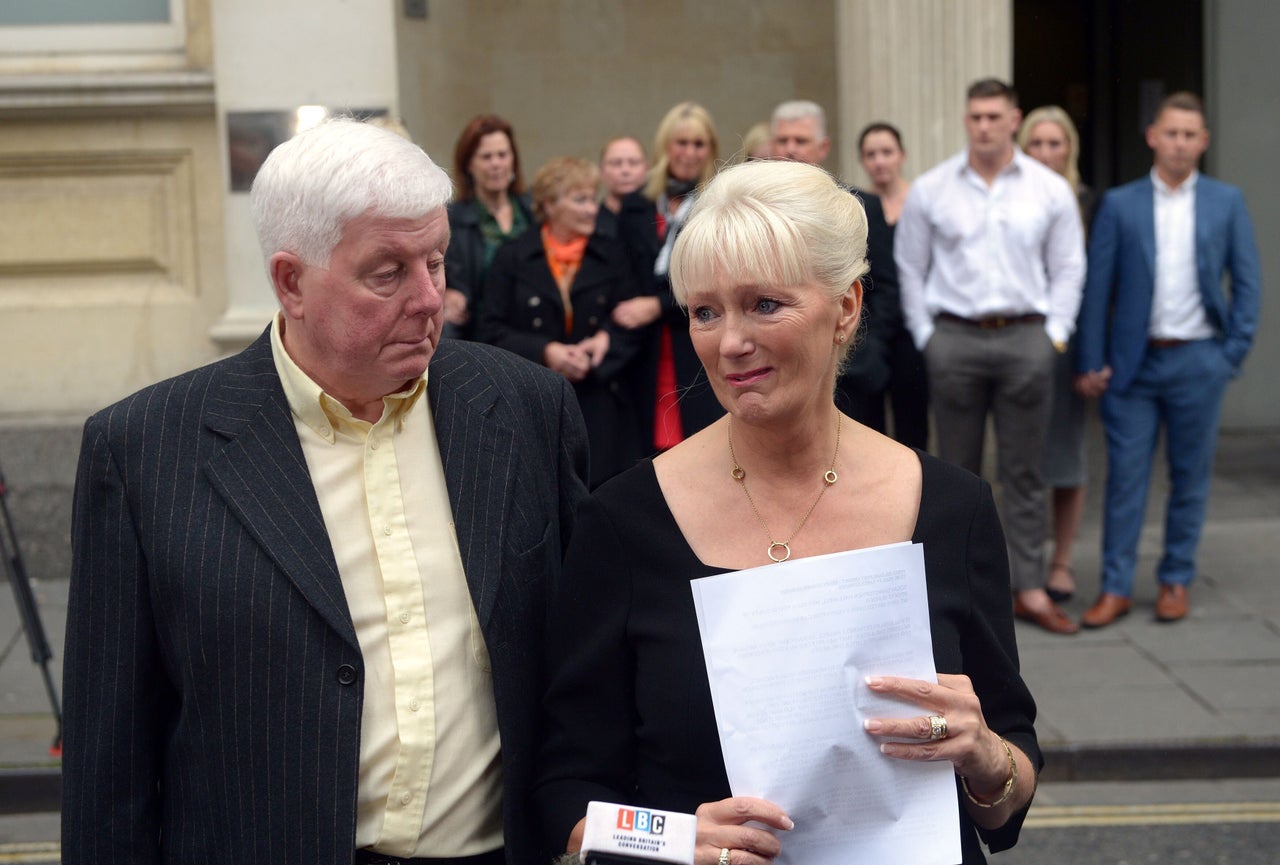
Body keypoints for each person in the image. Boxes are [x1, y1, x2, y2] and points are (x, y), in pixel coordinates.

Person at [61, 118, 590, 865]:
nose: (429, 298)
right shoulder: (147, 449)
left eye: (437, 261)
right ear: (291, 281)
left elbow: (581, 673)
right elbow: (106, 763)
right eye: (388, 272)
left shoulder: (527, 409)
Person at [535, 160, 1040, 865]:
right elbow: (567, 793)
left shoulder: (953, 506)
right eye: (706, 311)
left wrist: (986, 753)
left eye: (764, 304)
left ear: (846, 307)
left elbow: (1008, 790)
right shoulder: (623, 519)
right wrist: (675, 840)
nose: (730, 342)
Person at [896, 78, 1086, 636]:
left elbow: (1069, 266)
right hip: (954, 339)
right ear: (966, 120)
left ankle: (1029, 587)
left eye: (993, 116)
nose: (983, 125)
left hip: (1026, 338)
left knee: (1024, 472)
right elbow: (911, 266)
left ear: (1013, 119)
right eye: (975, 116)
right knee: (954, 473)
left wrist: (1056, 334)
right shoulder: (932, 190)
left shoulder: (1048, 190)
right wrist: (926, 334)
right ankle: (956, 594)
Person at [1075, 92, 1261, 628]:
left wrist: (1230, 354)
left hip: (1199, 362)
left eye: (1190, 135)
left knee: (1190, 476)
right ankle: (1114, 587)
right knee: (1126, 478)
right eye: (1171, 132)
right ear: (1153, 136)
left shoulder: (1227, 202)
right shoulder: (1121, 204)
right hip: (1133, 367)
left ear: (1203, 142)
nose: (1180, 143)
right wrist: (1091, 358)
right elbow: (1097, 286)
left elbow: (1247, 284)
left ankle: (1175, 579)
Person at [479, 156, 644, 487]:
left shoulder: (611, 254)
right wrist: (546, 352)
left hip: (603, 407)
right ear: (549, 205)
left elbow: (633, 323)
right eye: (579, 200)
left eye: (592, 199)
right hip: (534, 405)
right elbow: (488, 331)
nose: (590, 209)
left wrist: (605, 342)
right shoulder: (513, 257)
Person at [768, 100, 893, 439]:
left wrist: (872, 352)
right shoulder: (757, 211)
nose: (790, 149)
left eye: (800, 141)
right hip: (776, 370)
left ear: (823, 147)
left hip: (854, 370)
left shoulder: (862, 205)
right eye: (783, 140)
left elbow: (882, 287)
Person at [1017, 106, 1098, 602]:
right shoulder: (1009, 199)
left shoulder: (1088, 202)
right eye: (1037, 144)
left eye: (1055, 143)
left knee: (1067, 455)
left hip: (1069, 345)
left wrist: (1089, 355)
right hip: (1016, 344)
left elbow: (1096, 282)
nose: (1047, 153)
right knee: (1020, 458)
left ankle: (1061, 561)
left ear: (1070, 148)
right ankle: (1022, 560)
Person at [612, 101, 725, 451]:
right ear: (665, 146)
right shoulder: (637, 205)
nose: (689, 153)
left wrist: (658, 306)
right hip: (641, 350)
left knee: (699, 444)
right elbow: (622, 272)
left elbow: (717, 280)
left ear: (710, 150)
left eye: (698, 144)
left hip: (695, 343)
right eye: (681, 143)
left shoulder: (717, 204)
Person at [858, 121, 930, 450]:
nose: (879, 161)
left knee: (912, 420)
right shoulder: (857, 208)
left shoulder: (923, 201)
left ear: (902, 155)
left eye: (886, 152)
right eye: (871, 154)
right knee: (869, 421)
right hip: (874, 326)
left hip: (913, 328)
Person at [444, 114, 535, 339]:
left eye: (502, 155)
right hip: (478, 330)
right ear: (468, 165)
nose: (496, 164)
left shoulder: (534, 212)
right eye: (486, 157)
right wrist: (446, 293)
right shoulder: (451, 219)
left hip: (533, 328)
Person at [595, 135, 648, 236]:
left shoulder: (661, 218)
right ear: (601, 170)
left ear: (646, 169)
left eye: (634, 163)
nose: (625, 170)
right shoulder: (589, 223)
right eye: (616, 163)